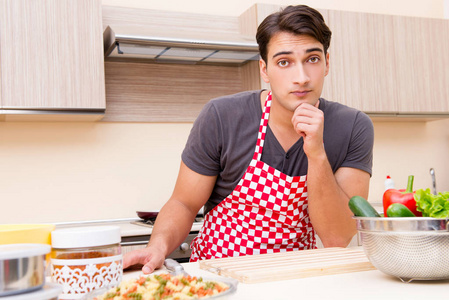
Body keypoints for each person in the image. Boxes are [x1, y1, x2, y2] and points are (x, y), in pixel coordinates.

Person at [124, 4, 374, 273]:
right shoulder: (222, 116)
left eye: (312, 59)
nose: (301, 78)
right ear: (264, 70)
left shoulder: (353, 127)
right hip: (216, 276)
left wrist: (316, 153)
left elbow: (337, 238)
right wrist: (157, 247)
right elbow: (184, 203)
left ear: (327, 63)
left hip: (295, 278)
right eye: (284, 62)